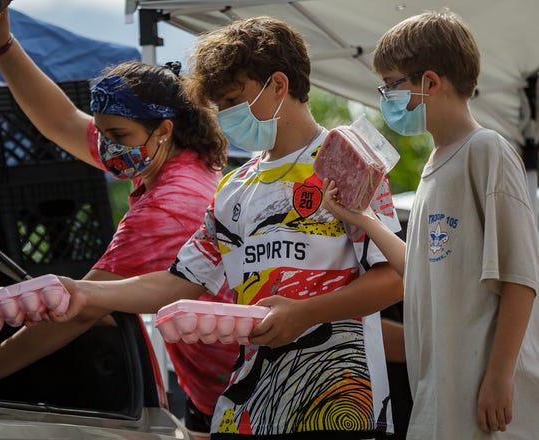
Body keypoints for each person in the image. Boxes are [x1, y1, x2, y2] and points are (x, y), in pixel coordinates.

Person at [42, 16, 405, 439]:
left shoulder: (345, 161)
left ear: (278, 86)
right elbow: (180, 282)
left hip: (339, 403)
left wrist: (306, 312)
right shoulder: (234, 186)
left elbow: (395, 278)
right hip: (247, 409)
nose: (226, 116)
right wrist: (86, 292)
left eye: (233, 99)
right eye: (218, 105)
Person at [0, 8, 239, 436]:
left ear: (162, 130)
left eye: (117, 136)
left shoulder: (172, 202)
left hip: (235, 393)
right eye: (103, 133)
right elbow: (63, 122)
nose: (105, 148)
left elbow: (84, 306)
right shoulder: (178, 158)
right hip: (214, 387)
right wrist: (2, 48)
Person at [323, 10, 539, 439]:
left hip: (489, 404)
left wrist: (499, 378)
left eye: (392, 84)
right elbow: (422, 267)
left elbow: (520, 278)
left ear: (431, 82)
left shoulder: (486, 150)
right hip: (440, 397)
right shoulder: (435, 165)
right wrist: (362, 219)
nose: (386, 97)